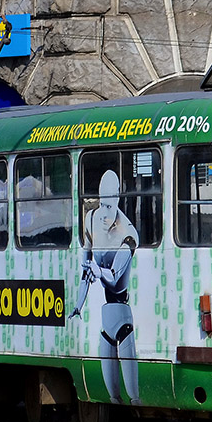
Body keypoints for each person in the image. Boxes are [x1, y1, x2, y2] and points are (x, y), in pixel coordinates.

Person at [70, 169, 141, 406]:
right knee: (111, 395)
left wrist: (98, 271)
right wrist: (78, 306)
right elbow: (85, 269)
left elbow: (112, 276)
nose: (104, 212)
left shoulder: (129, 234)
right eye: (102, 203)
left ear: (118, 200)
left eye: (109, 206)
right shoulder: (90, 219)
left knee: (134, 396)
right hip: (107, 315)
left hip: (122, 313)